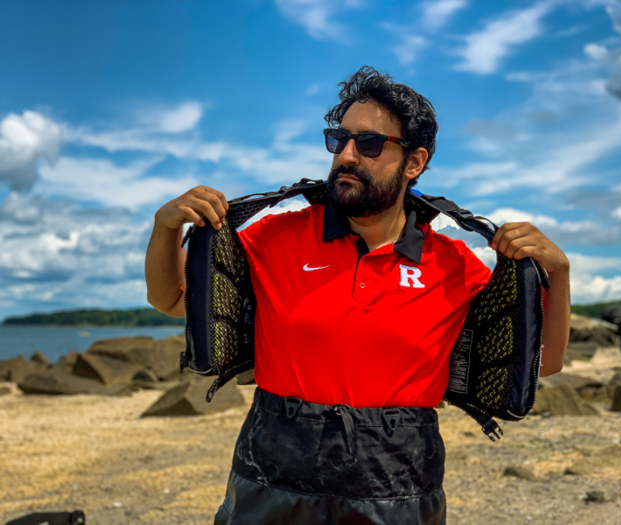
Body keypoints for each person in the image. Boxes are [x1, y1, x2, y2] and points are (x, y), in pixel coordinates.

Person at [145, 66, 571, 525]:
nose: (346, 155)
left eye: (368, 144)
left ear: (414, 162)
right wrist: (165, 228)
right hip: (272, 475)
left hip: (399, 485)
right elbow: (171, 300)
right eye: (338, 140)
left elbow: (543, 362)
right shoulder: (275, 236)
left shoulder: (452, 264)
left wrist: (559, 275)